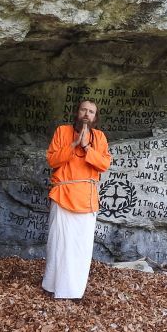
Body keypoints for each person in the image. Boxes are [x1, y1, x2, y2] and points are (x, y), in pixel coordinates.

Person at [42, 99, 111, 299]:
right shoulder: (62, 131)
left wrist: (87, 148)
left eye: (91, 111)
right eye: (83, 110)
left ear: (95, 117)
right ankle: (52, 286)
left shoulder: (99, 137)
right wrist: (73, 145)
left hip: (87, 199)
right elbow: (52, 160)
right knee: (58, 243)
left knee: (80, 247)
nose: (86, 114)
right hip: (63, 195)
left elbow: (104, 164)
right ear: (77, 112)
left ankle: (72, 291)